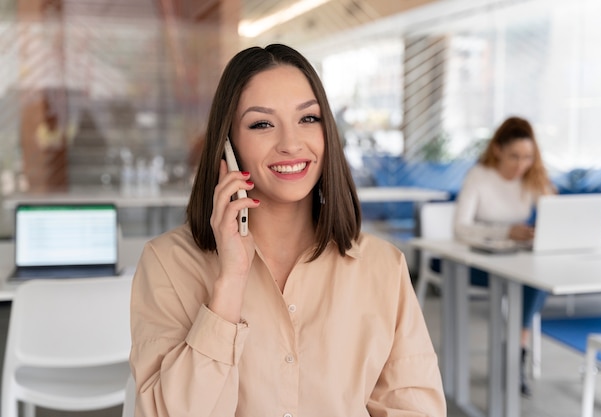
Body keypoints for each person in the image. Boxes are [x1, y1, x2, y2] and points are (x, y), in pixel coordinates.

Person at [130, 44, 445, 417]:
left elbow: (414, 408)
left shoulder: (383, 268)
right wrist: (229, 284)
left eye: (308, 119)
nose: (291, 143)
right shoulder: (167, 264)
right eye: (262, 123)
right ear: (228, 145)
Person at [453, 115, 555, 396]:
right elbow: (460, 228)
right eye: (514, 156)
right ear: (497, 149)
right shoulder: (479, 177)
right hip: (480, 262)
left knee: (538, 276)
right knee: (531, 278)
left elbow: (555, 217)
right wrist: (506, 232)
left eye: (528, 157)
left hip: (517, 261)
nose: (521, 165)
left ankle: (516, 350)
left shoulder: (531, 177)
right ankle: (516, 354)